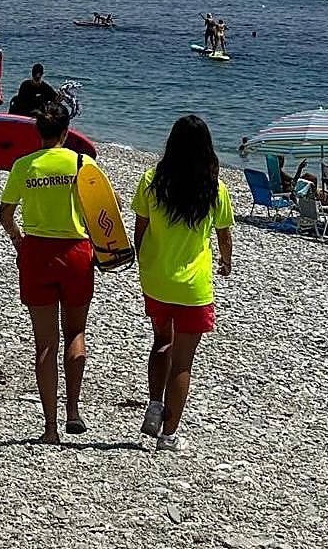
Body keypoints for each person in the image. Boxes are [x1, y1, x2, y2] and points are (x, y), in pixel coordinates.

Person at [131, 115, 234, 453]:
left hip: (157, 278)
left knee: (161, 342)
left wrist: (142, 260)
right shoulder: (214, 189)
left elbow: (140, 230)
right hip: (193, 286)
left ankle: (154, 405)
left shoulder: (151, 181)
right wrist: (226, 262)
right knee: (183, 362)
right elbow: (224, 236)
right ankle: (169, 435)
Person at [0, 101, 94, 445]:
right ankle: (73, 410)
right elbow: (99, 213)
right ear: (66, 133)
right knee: (76, 332)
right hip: (76, 252)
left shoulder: (24, 166)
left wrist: (19, 242)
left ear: (39, 133)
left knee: (45, 344)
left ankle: (50, 428)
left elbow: (6, 213)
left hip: (38, 252)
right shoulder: (83, 164)